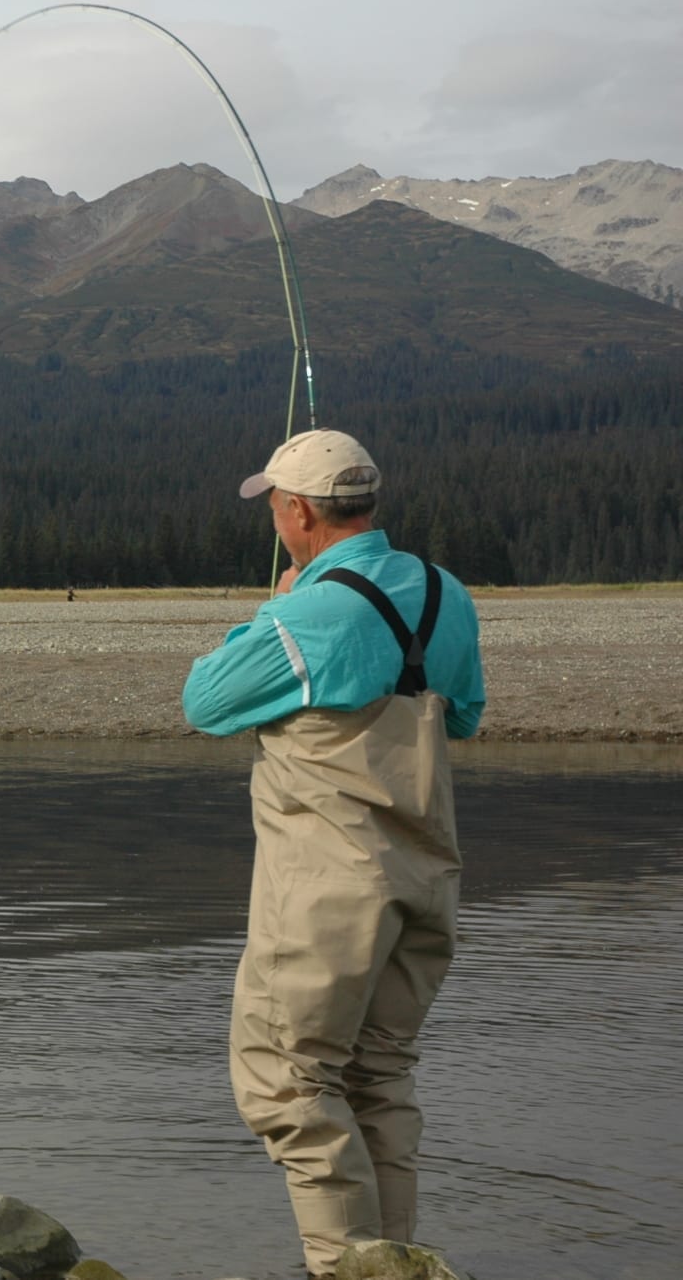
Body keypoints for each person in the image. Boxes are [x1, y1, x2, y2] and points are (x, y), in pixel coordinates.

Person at [181, 429, 486, 1278]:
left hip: (327, 895)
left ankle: (342, 1267)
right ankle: (398, 1265)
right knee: (377, 1079)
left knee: (286, 1079)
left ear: (300, 512)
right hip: (428, 881)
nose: (276, 519)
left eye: (276, 507)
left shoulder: (305, 614)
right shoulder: (444, 592)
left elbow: (203, 701)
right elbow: (461, 717)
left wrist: (273, 611)